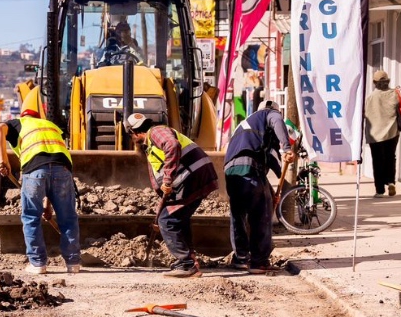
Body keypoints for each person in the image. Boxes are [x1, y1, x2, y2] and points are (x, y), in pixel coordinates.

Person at [125, 113, 220, 279]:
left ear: (134, 133)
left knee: (167, 220)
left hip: (194, 176)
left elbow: (172, 145)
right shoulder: (151, 143)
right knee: (177, 218)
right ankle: (189, 260)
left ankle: (187, 264)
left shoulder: (156, 132)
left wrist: (168, 181)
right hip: (195, 176)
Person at [0, 108, 81, 274]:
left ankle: (38, 263)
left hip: (35, 170)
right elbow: (51, 170)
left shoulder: (19, 123)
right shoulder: (51, 126)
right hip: (62, 170)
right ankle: (73, 263)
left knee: (30, 218)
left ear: (23, 117)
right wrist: (48, 206)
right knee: (68, 218)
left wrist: (3, 160)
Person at [223, 105, 297, 273]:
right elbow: (276, 119)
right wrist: (286, 148)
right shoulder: (268, 114)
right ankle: (258, 261)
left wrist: (272, 193)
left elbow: (272, 162)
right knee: (261, 215)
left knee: (238, 216)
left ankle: (241, 258)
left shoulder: (247, 128)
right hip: (250, 168)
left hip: (232, 172)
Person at [365, 69, 401, 197]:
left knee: (377, 161)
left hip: (374, 135)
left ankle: (380, 190)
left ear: (374, 82)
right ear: (387, 81)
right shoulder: (394, 94)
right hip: (392, 133)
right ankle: (391, 182)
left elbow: (363, 113)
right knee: (390, 157)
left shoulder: (370, 97)